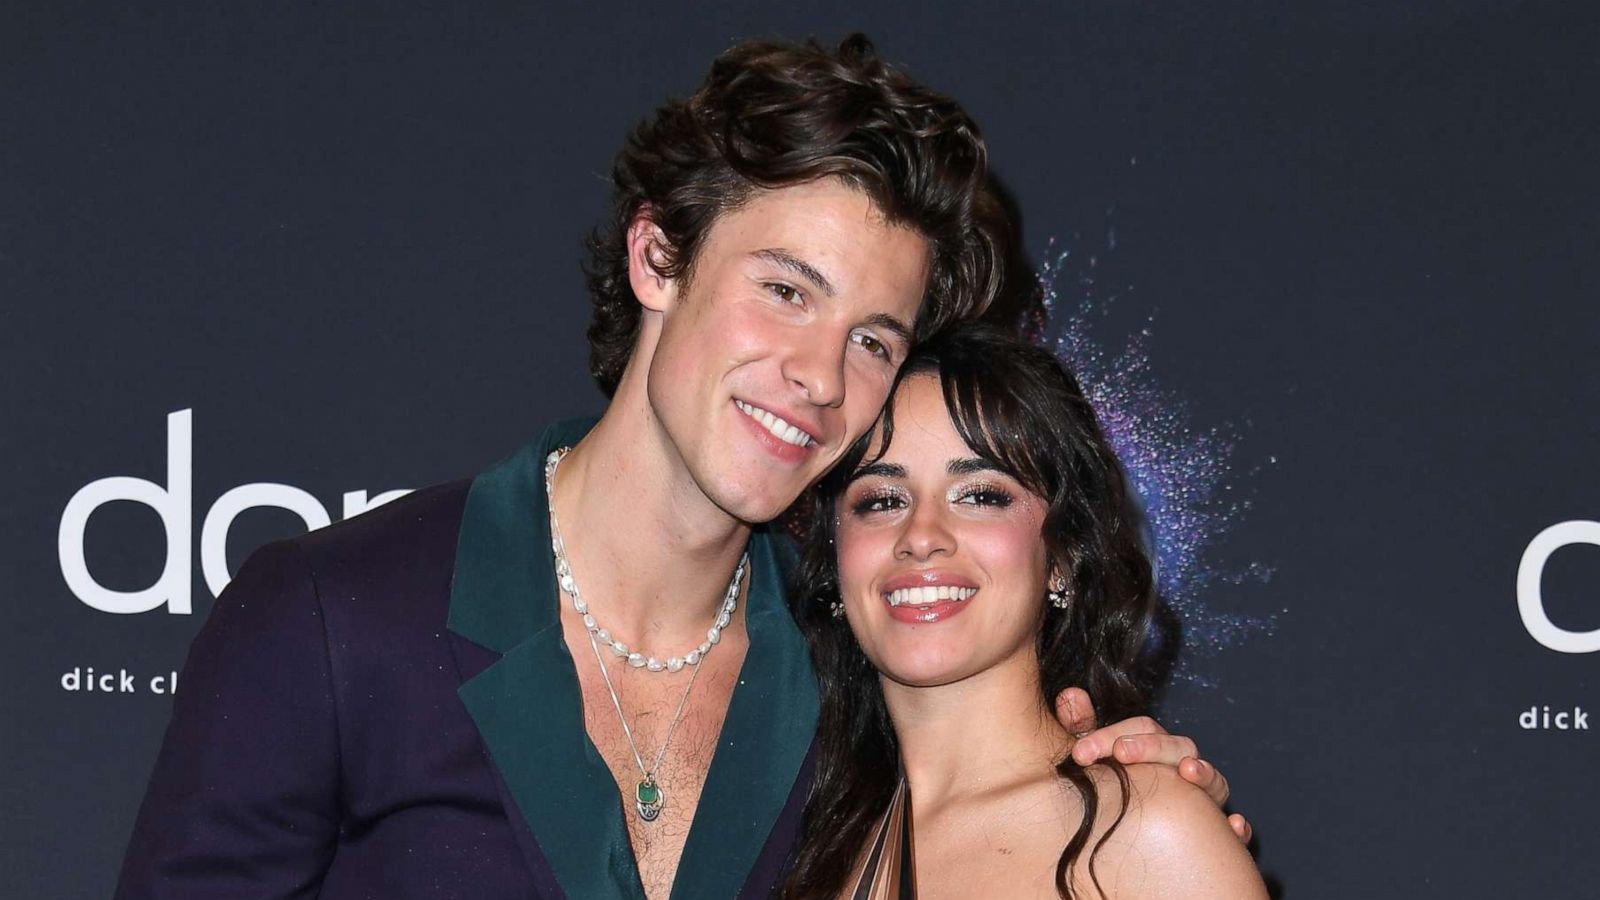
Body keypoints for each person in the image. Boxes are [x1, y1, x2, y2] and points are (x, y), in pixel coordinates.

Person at [115, 36, 1245, 900]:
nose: (817, 374)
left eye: (872, 338)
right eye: (785, 290)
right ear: (657, 256)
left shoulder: (842, 677)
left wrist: (1142, 799)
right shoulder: (334, 620)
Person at [781, 325, 1267, 899]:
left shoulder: (1146, 835)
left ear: (1061, 556)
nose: (921, 535)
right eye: (881, 500)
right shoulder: (803, 844)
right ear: (836, 559)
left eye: (982, 496)